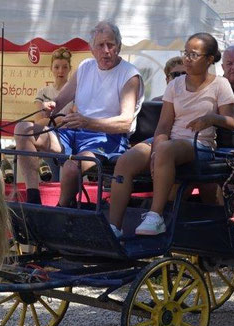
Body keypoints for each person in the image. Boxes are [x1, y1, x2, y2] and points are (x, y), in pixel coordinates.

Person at [108, 33, 234, 236]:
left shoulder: (220, 84)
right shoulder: (174, 85)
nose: (187, 58)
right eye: (185, 53)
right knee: (126, 160)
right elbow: (163, 126)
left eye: (194, 55)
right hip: (170, 142)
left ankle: (156, 216)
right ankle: (114, 227)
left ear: (209, 59)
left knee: (166, 149)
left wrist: (212, 118)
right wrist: (156, 150)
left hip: (199, 145)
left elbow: (231, 121)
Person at [30, 21, 143, 207]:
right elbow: (59, 102)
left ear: (119, 47)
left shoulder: (129, 75)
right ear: (92, 49)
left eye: (111, 45)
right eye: (100, 45)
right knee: (24, 130)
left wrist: (88, 122)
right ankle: (33, 198)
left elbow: (125, 122)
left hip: (108, 139)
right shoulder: (85, 67)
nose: (106, 50)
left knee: (70, 167)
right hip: (74, 132)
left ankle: (62, 210)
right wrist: (51, 105)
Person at [12, 47, 74, 199]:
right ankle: (37, 201)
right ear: (51, 69)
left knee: (66, 181)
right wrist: (62, 118)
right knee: (50, 182)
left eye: (65, 67)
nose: (61, 71)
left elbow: (73, 118)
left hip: (69, 139)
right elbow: (39, 121)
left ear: (70, 69)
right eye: (57, 67)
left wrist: (52, 119)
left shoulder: (75, 90)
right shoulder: (43, 92)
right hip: (49, 138)